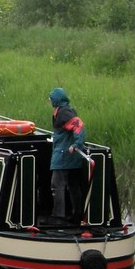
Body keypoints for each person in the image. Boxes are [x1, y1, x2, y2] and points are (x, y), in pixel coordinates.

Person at [48, 87, 87, 225]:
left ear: (56, 101)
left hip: (64, 155)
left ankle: (58, 216)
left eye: (51, 100)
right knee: (73, 185)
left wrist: (76, 144)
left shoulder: (64, 113)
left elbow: (79, 126)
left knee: (56, 184)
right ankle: (77, 215)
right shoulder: (65, 111)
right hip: (70, 156)